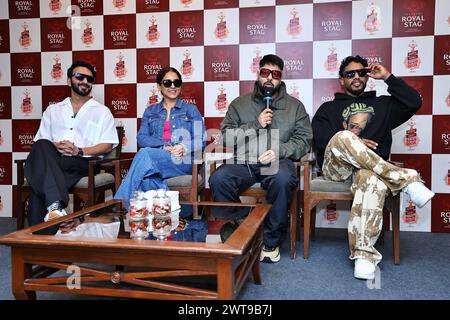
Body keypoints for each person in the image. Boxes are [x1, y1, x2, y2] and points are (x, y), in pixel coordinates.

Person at [312, 55, 435, 280]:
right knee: (342, 136)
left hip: (370, 171)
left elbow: (414, 102)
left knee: (370, 178)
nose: (356, 77)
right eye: (350, 74)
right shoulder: (328, 108)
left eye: (361, 72)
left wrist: (387, 77)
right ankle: (406, 179)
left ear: (368, 75)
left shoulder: (383, 104)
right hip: (337, 169)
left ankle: (364, 256)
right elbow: (320, 139)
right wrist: (353, 141)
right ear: (342, 80)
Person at [209, 54, 313, 263]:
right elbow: (226, 136)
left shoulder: (295, 106)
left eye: (275, 74)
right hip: (244, 161)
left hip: (277, 161)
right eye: (265, 72)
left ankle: (270, 242)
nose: (269, 78)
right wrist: (255, 124)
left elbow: (304, 141)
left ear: (281, 78)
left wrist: (279, 150)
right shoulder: (240, 104)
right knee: (219, 179)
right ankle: (244, 227)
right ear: (258, 74)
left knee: (282, 179)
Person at [25, 61, 119, 227]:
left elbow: (108, 145)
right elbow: (42, 140)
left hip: (84, 161)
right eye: (79, 77)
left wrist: (79, 150)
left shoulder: (102, 112)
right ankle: (55, 207)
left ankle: (38, 237)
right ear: (69, 81)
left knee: (40, 173)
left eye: (89, 79)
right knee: (41, 146)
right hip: (55, 158)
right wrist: (57, 146)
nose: (84, 81)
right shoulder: (53, 110)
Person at [114, 67, 206, 206]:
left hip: (182, 161)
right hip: (157, 159)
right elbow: (141, 138)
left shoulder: (191, 110)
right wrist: (164, 146)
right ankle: (164, 213)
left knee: (145, 154)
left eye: (177, 82)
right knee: (147, 179)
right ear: (159, 86)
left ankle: (120, 205)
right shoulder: (150, 111)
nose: (173, 86)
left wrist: (183, 147)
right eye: (168, 83)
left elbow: (201, 139)